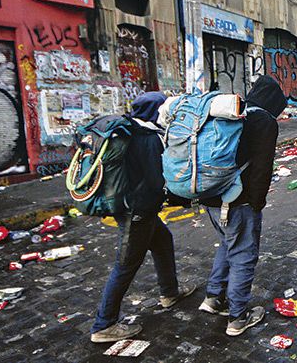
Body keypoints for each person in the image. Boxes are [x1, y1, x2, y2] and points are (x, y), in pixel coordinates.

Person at [90, 92, 195, 343]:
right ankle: (103, 325)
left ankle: (170, 292)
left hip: (131, 207)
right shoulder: (147, 138)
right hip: (137, 211)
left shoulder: (131, 130)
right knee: (126, 265)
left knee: (162, 241)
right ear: (155, 111)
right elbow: (157, 179)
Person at [197, 75, 284, 336]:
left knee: (227, 244)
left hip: (210, 195)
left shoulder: (235, 113)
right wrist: (257, 202)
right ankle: (238, 316)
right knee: (244, 255)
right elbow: (262, 167)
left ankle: (213, 298)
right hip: (238, 200)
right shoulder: (264, 121)